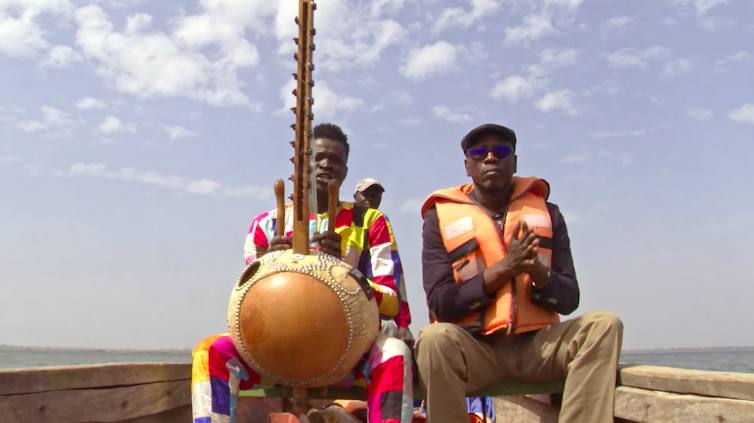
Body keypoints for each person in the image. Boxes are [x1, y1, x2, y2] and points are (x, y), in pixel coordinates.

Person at [192, 123, 414, 423]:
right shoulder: (265, 225)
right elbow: (244, 306)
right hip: (274, 356)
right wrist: (266, 267)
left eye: (335, 160)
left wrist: (346, 273)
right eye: (318, 157)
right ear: (300, 167)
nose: (326, 164)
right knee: (210, 352)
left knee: (394, 352)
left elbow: (392, 302)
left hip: (349, 356)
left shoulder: (370, 221)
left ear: (345, 172)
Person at [414, 123, 623, 423]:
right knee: (433, 338)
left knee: (605, 324)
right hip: (477, 351)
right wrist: (503, 271)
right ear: (467, 166)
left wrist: (537, 272)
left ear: (514, 162)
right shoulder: (439, 218)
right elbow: (440, 302)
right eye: (479, 152)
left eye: (500, 151)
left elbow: (569, 298)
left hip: (537, 348)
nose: (490, 158)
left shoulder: (549, 212)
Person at [353, 178, 414, 349]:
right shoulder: (345, 219)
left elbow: (394, 275)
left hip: (378, 307)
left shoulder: (380, 221)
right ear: (355, 196)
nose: (371, 198)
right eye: (366, 193)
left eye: (376, 194)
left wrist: (403, 323)